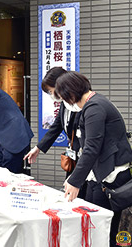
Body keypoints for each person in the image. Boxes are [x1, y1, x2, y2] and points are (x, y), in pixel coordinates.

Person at [55, 71, 132, 247]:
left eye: (64, 98)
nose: (65, 104)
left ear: (71, 94)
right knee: (97, 223)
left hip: (110, 177)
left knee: (103, 227)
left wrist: (74, 181)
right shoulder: (93, 104)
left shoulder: (95, 108)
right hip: (100, 174)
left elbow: (91, 148)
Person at [24, 67, 82, 181]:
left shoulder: (81, 103)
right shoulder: (64, 104)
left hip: (84, 157)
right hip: (73, 155)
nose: (52, 95)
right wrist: (38, 148)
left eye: (51, 91)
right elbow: (56, 127)